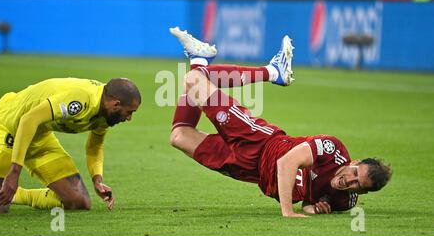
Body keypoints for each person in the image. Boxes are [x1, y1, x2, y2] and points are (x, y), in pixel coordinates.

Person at [168, 27, 392, 218]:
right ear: (355, 161)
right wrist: (288, 211)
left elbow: (310, 200)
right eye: (354, 173)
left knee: (179, 137)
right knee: (194, 81)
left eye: (357, 185)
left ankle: (199, 58)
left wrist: (313, 208)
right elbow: (286, 162)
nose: (349, 181)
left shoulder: (346, 201)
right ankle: (272, 71)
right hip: (259, 142)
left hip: (250, 171)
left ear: (361, 193)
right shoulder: (333, 149)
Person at [0, 77, 141, 214]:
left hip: (39, 136)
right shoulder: (81, 100)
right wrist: (14, 172)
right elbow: (28, 120)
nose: (129, 118)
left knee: (79, 202)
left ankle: (16, 194)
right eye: (129, 112)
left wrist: (97, 180)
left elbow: (95, 147)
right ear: (116, 104)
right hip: (8, 128)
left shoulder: (105, 113)